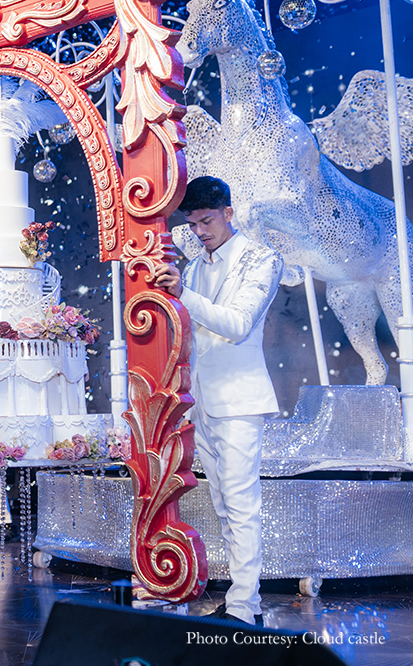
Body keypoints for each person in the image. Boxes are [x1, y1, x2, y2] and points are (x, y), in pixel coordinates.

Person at [154, 176, 282, 627]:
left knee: (242, 502)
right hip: (200, 400)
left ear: (229, 213)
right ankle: (241, 598)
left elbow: (238, 324)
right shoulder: (196, 267)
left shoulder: (262, 259)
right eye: (192, 225)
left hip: (241, 401)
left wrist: (183, 294)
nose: (200, 231)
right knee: (224, 503)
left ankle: (246, 606)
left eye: (207, 221)